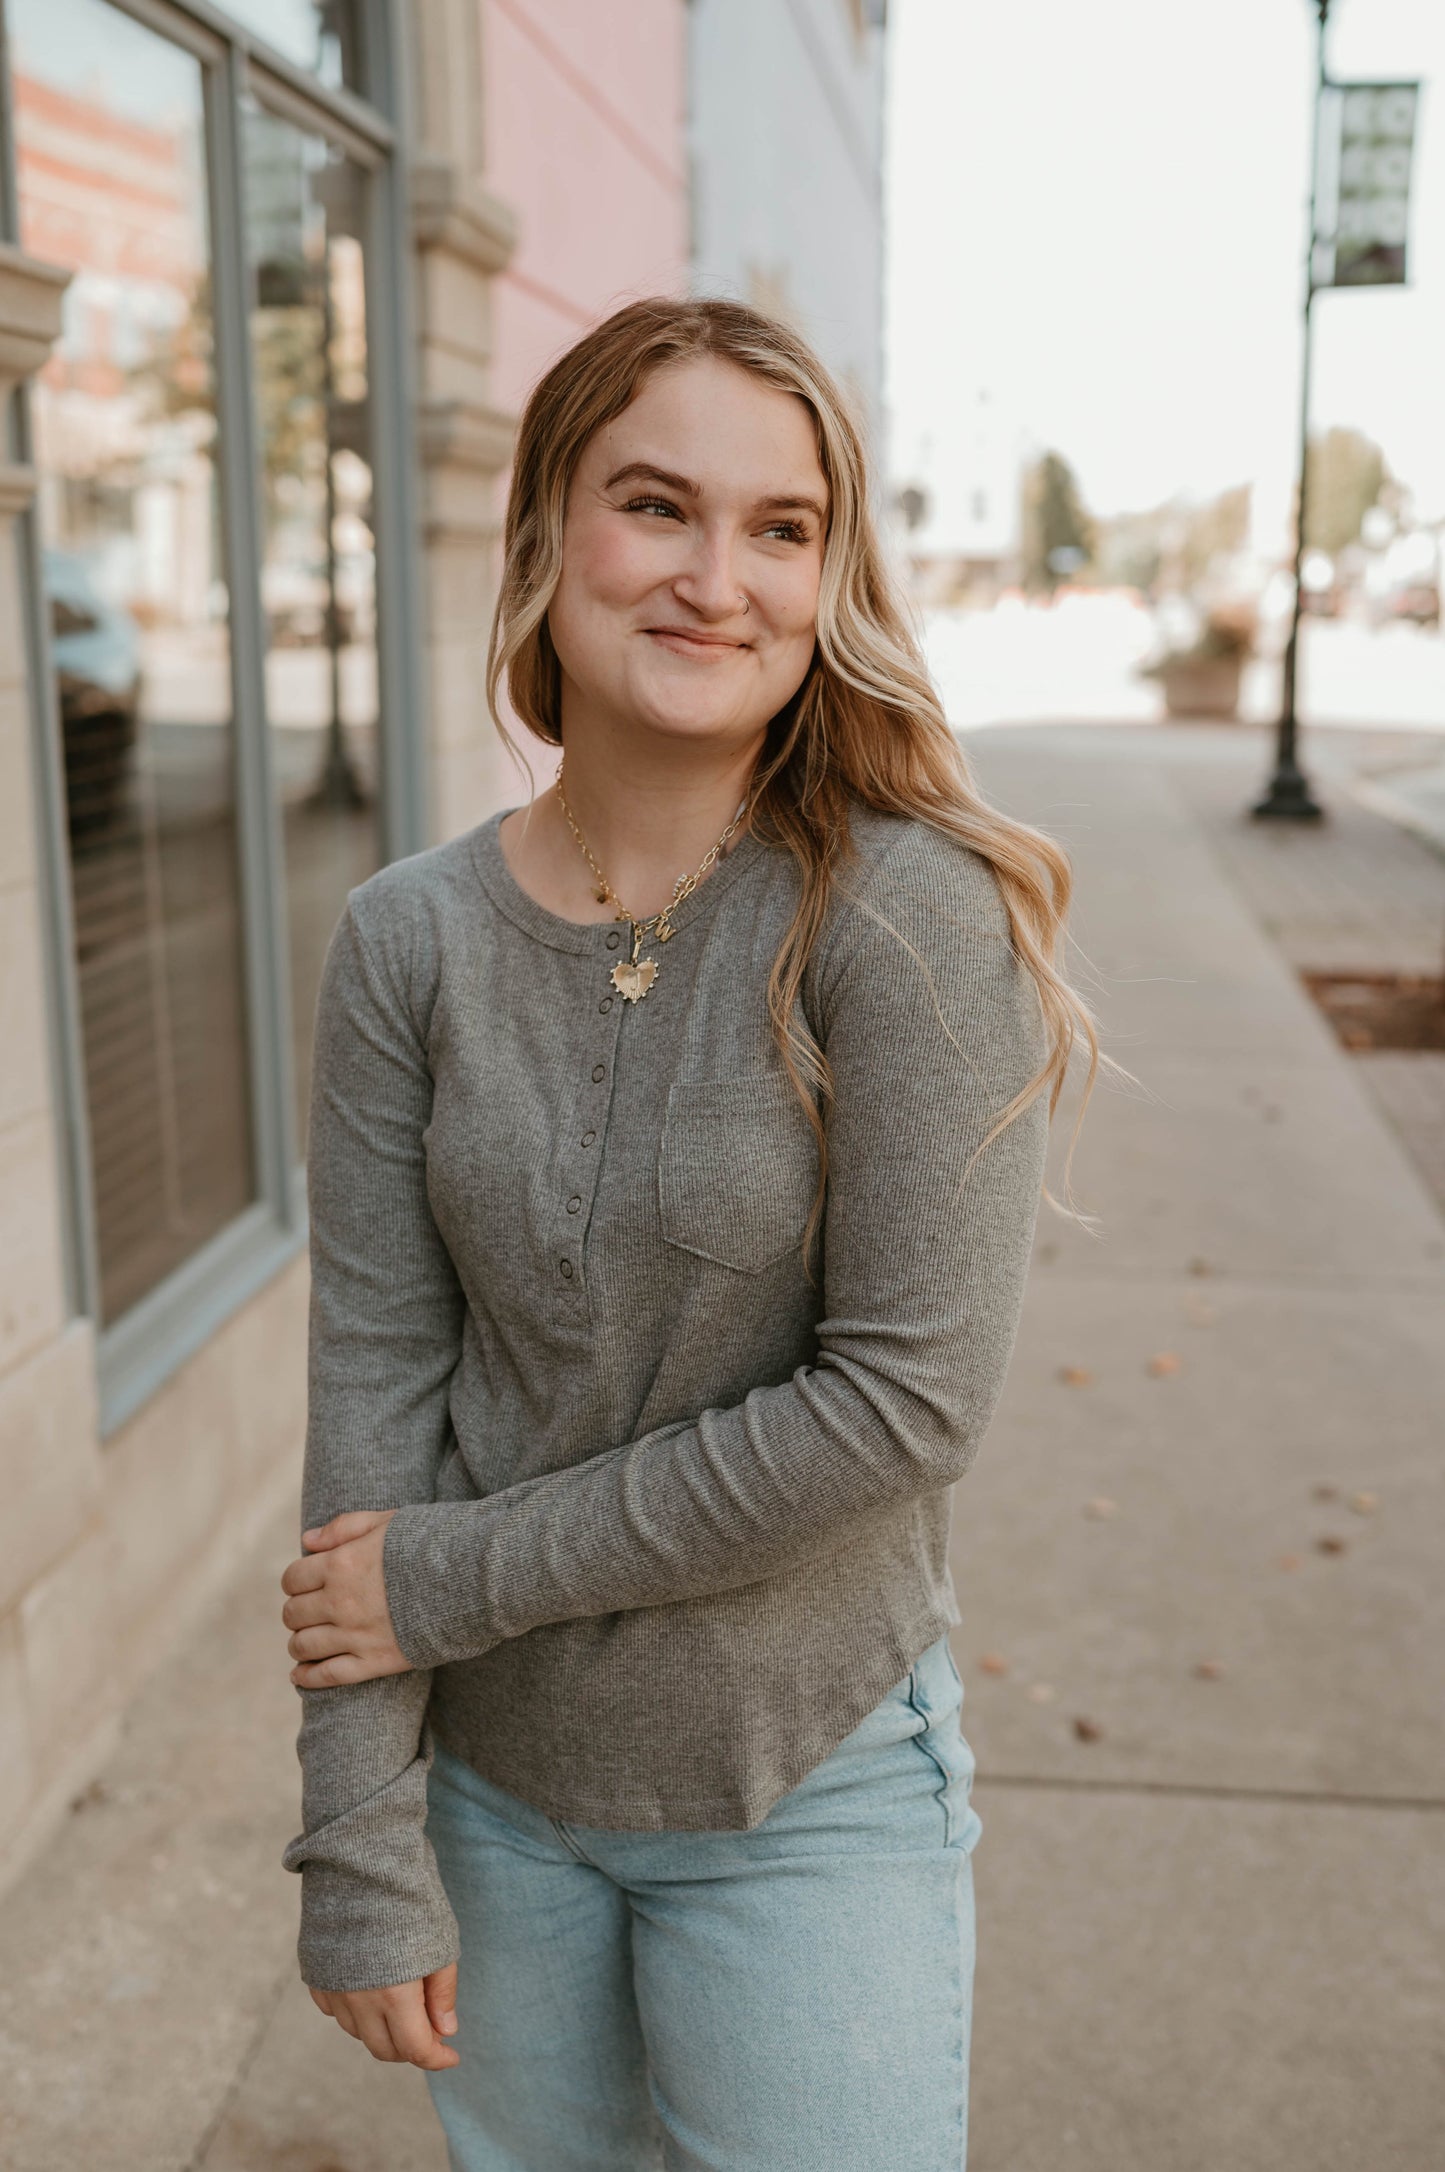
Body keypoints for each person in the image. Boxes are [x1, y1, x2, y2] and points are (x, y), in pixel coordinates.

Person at [278, 296, 1099, 2171]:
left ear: (828, 577)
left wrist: (447, 1578)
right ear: (549, 533)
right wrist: (356, 1840)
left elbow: (902, 1407)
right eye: (657, 506)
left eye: (781, 527)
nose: (715, 578)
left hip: (804, 1781)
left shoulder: (900, 918)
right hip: (488, 1803)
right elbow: (377, 1379)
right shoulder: (407, 941)